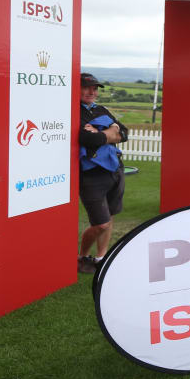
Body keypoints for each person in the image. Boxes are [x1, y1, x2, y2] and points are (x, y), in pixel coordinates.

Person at [77, 73, 128, 274]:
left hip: (115, 170)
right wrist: (111, 130)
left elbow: (124, 133)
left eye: (95, 88)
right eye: (86, 87)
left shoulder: (101, 109)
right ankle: (82, 257)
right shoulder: (72, 112)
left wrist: (102, 132)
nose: (92, 92)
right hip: (91, 175)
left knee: (110, 216)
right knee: (101, 224)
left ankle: (101, 257)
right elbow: (88, 140)